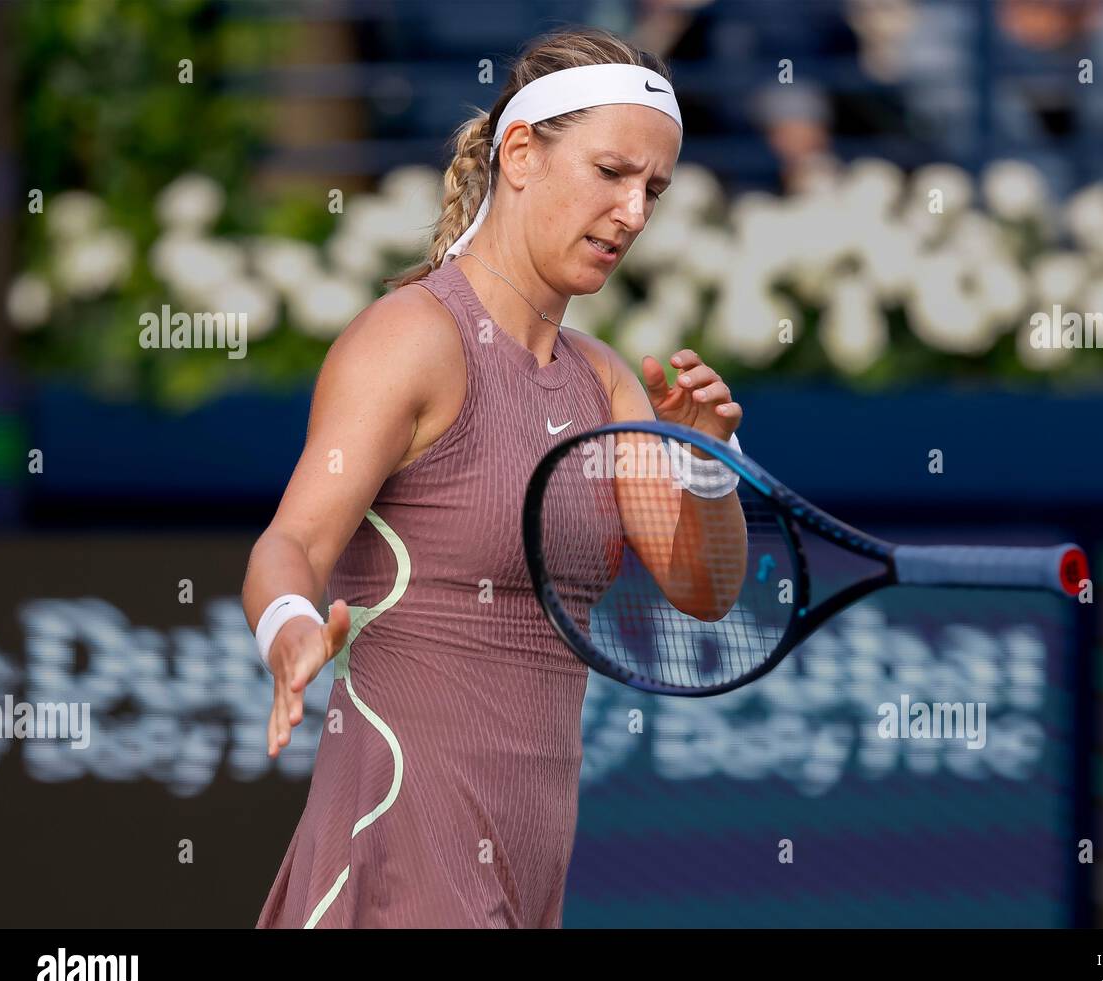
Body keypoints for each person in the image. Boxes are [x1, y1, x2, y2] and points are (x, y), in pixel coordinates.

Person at [244, 25, 744, 928]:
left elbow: (702, 589)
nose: (634, 212)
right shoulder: (411, 340)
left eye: (654, 190)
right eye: (612, 173)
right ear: (521, 153)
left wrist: (708, 466)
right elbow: (290, 543)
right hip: (395, 862)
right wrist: (288, 630)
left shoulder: (606, 380)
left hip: (525, 876)